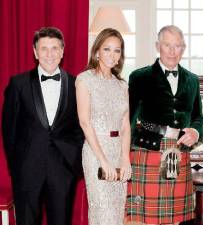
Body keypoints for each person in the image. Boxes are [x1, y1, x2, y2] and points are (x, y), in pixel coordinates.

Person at [1, 27, 84, 225]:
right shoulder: (18, 84)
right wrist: (17, 167)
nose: (49, 54)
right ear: (35, 52)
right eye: (44, 48)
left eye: (54, 48)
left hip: (63, 169)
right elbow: (8, 130)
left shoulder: (77, 84)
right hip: (27, 168)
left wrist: (73, 161)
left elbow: (81, 127)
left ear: (62, 51)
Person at [127, 25, 203, 225]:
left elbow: (198, 117)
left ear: (184, 48)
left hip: (178, 151)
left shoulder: (192, 80)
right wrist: (123, 155)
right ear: (157, 46)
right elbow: (128, 118)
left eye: (177, 46)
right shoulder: (139, 77)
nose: (172, 51)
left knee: (174, 217)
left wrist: (196, 131)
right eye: (167, 45)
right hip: (147, 149)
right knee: (147, 217)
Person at [75, 28, 131, 225]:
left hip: (117, 152)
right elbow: (85, 122)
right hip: (95, 151)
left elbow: (125, 124)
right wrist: (103, 160)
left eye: (117, 50)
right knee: (103, 212)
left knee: (116, 212)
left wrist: (126, 159)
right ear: (97, 51)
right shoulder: (84, 80)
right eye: (107, 49)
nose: (112, 55)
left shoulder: (122, 85)